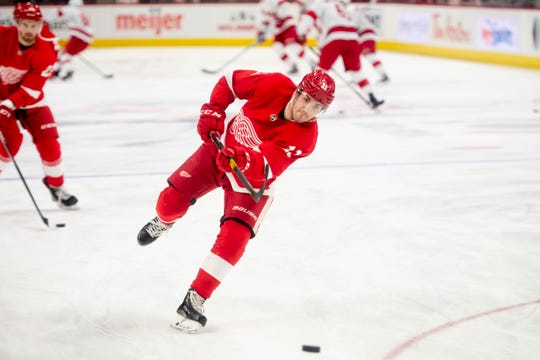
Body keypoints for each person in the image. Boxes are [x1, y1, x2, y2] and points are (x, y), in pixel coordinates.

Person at [137, 69, 335, 333]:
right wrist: (213, 110)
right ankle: (164, 221)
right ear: (297, 91)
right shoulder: (273, 84)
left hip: (251, 181)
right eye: (307, 99)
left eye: (318, 107)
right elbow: (229, 82)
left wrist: (241, 158)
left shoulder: (305, 137)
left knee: (235, 238)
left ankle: (195, 298)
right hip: (217, 153)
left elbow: (266, 165)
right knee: (168, 203)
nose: (308, 111)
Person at [0, 2, 79, 209]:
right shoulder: (2, 37)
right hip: (1, 100)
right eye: (25, 25)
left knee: (50, 143)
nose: (29, 30)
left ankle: (57, 188)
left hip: (29, 101)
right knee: (10, 145)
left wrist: (9, 103)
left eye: (34, 26)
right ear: (17, 23)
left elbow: (32, 89)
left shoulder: (45, 49)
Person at [296, 0, 384, 109]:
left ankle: (305, 99)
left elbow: (310, 16)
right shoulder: (340, 5)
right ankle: (371, 96)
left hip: (335, 38)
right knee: (356, 72)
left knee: (320, 71)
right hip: (353, 38)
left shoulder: (321, 2)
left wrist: (300, 32)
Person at [257, 0, 306, 75]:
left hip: (288, 26)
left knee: (292, 46)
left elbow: (285, 17)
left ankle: (311, 62)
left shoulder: (280, 2)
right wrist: (262, 32)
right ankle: (292, 66)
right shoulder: (263, 5)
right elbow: (265, 21)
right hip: (278, 31)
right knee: (277, 47)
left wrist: (274, 25)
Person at [347, 4, 390, 83]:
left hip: (365, 34)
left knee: (370, 56)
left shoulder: (351, 10)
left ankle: (383, 75)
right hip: (365, 35)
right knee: (357, 56)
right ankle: (358, 77)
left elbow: (353, 25)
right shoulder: (353, 9)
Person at [53, 0, 93, 80]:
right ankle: (57, 71)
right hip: (87, 39)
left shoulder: (71, 9)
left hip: (78, 37)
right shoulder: (81, 12)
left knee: (65, 54)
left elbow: (59, 12)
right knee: (66, 54)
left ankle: (65, 70)